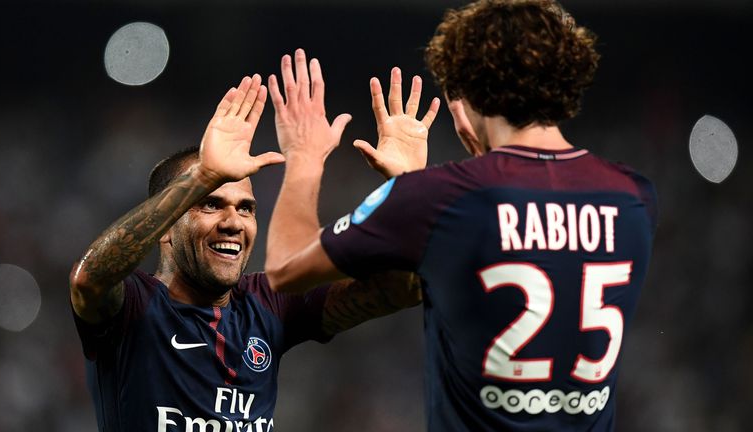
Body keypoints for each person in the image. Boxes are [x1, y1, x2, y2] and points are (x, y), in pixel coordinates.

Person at [264, 2, 657, 431]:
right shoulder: (634, 195)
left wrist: (304, 157)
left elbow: (284, 269)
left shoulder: (440, 198)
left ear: (467, 95)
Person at [69, 74, 422, 431]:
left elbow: (400, 288)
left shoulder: (268, 304)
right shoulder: (134, 305)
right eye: (210, 204)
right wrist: (203, 175)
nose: (233, 222)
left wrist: (410, 192)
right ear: (166, 228)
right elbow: (90, 279)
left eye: (246, 208)